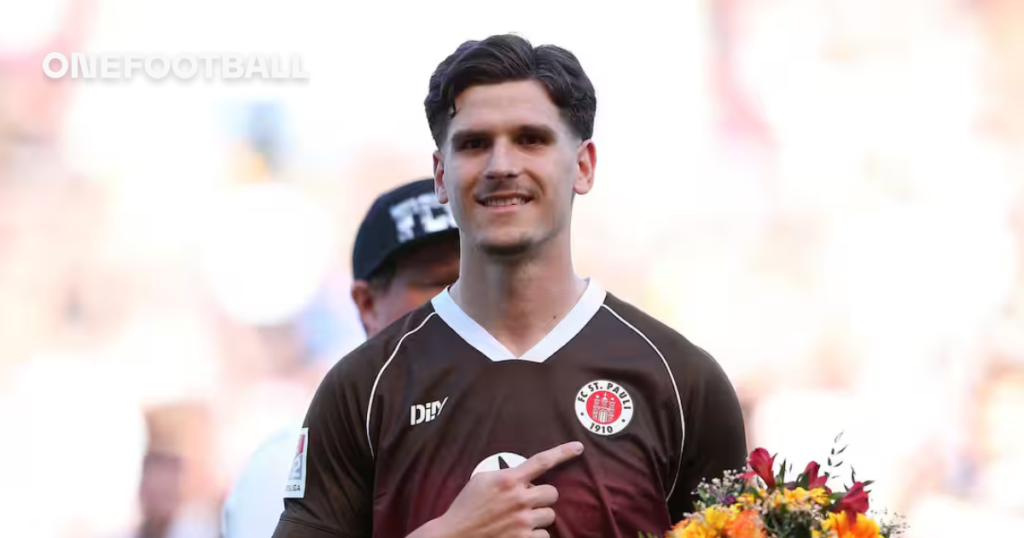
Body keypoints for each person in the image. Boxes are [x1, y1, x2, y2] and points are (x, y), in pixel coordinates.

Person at [270, 34, 747, 538]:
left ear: (583, 166)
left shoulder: (682, 381)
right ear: (440, 174)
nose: (501, 166)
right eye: (474, 144)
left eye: (531, 139)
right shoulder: (363, 389)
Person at [220, 178, 460, 538]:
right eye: (440, 282)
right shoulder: (293, 462)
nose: (466, 301)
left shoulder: (534, 418)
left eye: (483, 280)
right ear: (368, 305)